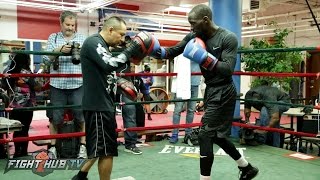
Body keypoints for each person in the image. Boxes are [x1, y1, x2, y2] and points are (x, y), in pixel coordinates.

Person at [151, 4, 259, 180]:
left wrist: (204, 57)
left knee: (205, 134)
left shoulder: (227, 38)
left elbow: (227, 69)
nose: (191, 27)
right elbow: (172, 51)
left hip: (224, 90)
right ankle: (246, 168)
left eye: (193, 23)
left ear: (206, 20)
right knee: (217, 136)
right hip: (211, 90)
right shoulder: (195, 35)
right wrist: (151, 49)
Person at [72, 16, 156, 180]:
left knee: (101, 146)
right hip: (98, 106)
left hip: (103, 105)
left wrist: (119, 82)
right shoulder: (93, 43)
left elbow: (104, 72)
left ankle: (80, 176)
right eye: (121, 34)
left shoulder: (103, 46)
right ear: (110, 30)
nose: (122, 38)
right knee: (106, 151)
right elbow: (109, 64)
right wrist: (131, 49)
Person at [42, 10, 87, 159]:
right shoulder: (53, 38)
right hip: (58, 85)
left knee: (81, 117)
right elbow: (45, 61)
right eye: (67, 24)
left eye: (72, 25)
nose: (70, 27)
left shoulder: (82, 37)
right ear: (61, 23)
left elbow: (88, 60)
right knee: (55, 119)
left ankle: (83, 146)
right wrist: (59, 51)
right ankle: (53, 148)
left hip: (78, 84)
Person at [1, 53, 41, 157]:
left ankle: (17, 152)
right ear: (26, 60)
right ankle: (23, 152)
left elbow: (4, 87)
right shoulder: (26, 72)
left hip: (13, 106)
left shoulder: (8, 71)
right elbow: (37, 87)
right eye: (28, 59)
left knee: (17, 130)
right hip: (26, 106)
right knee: (24, 129)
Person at [169, 55, 201, 144]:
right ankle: (175, 134)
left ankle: (188, 134)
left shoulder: (201, 50)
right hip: (182, 83)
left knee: (191, 110)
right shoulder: (183, 51)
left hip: (195, 83)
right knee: (178, 109)